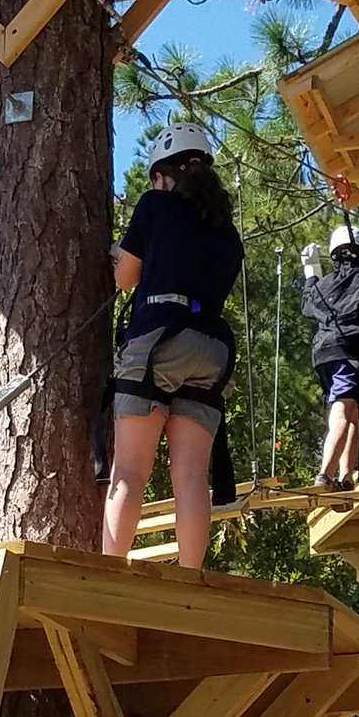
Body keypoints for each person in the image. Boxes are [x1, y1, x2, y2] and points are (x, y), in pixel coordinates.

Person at [100, 123, 245, 570]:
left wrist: (121, 254)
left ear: (162, 175)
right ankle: (190, 577)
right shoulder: (226, 233)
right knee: (191, 476)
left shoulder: (154, 205)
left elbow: (124, 278)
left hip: (159, 337)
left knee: (129, 470)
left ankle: (109, 572)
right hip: (211, 348)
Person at [299, 224, 359, 490]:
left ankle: (345, 478)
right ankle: (325, 474)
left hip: (324, 353)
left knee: (353, 411)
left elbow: (308, 304)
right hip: (351, 350)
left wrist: (311, 274)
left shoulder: (325, 284)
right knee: (344, 410)